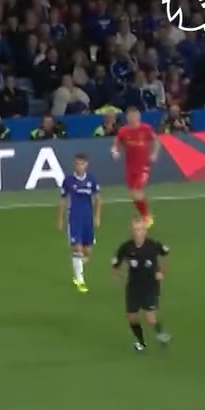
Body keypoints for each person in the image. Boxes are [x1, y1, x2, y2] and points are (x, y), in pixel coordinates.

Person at [111, 219, 171, 352]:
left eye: (139, 229)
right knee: (131, 317)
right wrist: (119, 276)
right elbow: (116, 264)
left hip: (150, 286)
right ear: (131, 231)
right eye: (135, 230)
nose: (137, 232)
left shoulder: (153, 245)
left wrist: (162, 272)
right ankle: (141, 342)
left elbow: (165, 254)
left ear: (145, 231)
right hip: (133, 286)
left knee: (150, 318)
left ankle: (160, 333)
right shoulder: (126, 247)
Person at [56, 154, 101, 293]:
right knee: (78, 249)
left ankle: (76, 263)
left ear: (86, 165)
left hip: (88, 219)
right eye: (76, 163)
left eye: (81, 164)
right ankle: (80, 280)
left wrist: (97, 216)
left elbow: (98, 199)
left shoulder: (91, 180)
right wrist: (60, 219)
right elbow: (63, 200)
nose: (79, 166)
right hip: (74, 219)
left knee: (88, 252)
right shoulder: (68, 181)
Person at [111, 106, 158, 227]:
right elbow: (116, 143)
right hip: (130, 167)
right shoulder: (123, 131)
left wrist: (154, 154)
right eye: (131, 116)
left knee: (137, 192)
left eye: (135, 115)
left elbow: (156, 140)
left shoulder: (146, 128)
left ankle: (147, 216)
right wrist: (115, 151)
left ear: (139, 116)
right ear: (127, 117)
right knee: (133, 195)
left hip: (143, 166)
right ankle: (144, 215)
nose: (133, 118)